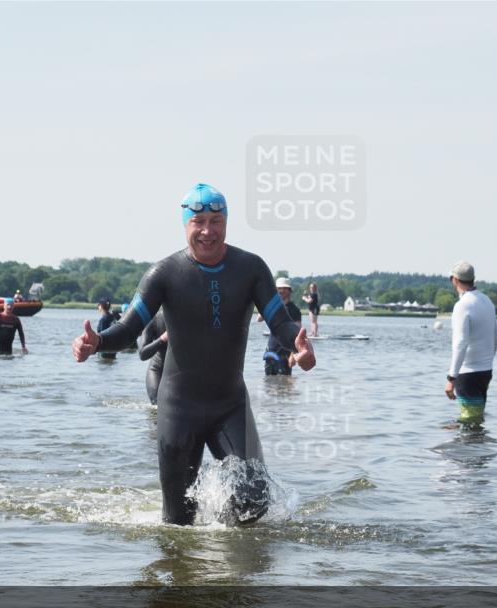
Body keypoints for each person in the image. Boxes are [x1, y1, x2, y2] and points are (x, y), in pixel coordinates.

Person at [72, 183, 316, 526]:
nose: (207, 231)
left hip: (230, 405)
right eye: (198, 221)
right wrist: (96, 342)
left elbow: (280, 323)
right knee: (177, 523)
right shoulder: (164, 274)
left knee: (254, 499)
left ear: (226, 222)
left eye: (215, 221)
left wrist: (299, 346)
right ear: (185, 224)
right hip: (178, 408)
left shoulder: (251, 269)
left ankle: (225, 551)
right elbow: (128, 330)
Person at [445, 261, 497, 425]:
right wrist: (488, 360)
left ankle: (468, 449)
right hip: (485, 371)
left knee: (469, 422)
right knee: (476, 420)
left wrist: (451, 377)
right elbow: (496, 334)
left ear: (454, 280)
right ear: (473, 279)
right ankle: (478, 450)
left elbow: (460, 343)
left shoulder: (462, 305)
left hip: (468, 373)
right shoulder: (486, 300)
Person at [260, 278, 303, 376]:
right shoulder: (273, 307)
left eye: (284, 288)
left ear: (289, 291)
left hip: (285, 354)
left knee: (285, 386)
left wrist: (293, 355)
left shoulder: (294, 310)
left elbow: (298, 336)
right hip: (270, 351)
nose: (281, 291)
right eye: (279, 288)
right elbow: (259, 318)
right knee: (268, 385)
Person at [138, 312, 167, 405]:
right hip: (157, 370)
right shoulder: (155, 319)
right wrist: (162, 339)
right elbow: (142, 354)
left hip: (181, 372)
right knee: (157, 406)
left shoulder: (189, 317)